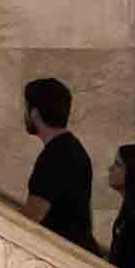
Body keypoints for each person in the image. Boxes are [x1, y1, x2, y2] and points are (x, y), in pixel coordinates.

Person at [21, 77, 97, 251]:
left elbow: (32, 216)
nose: (24, 115)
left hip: (67, 255)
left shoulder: (55, 155)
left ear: (34, 113)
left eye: (26, 108)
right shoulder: (71, 147)